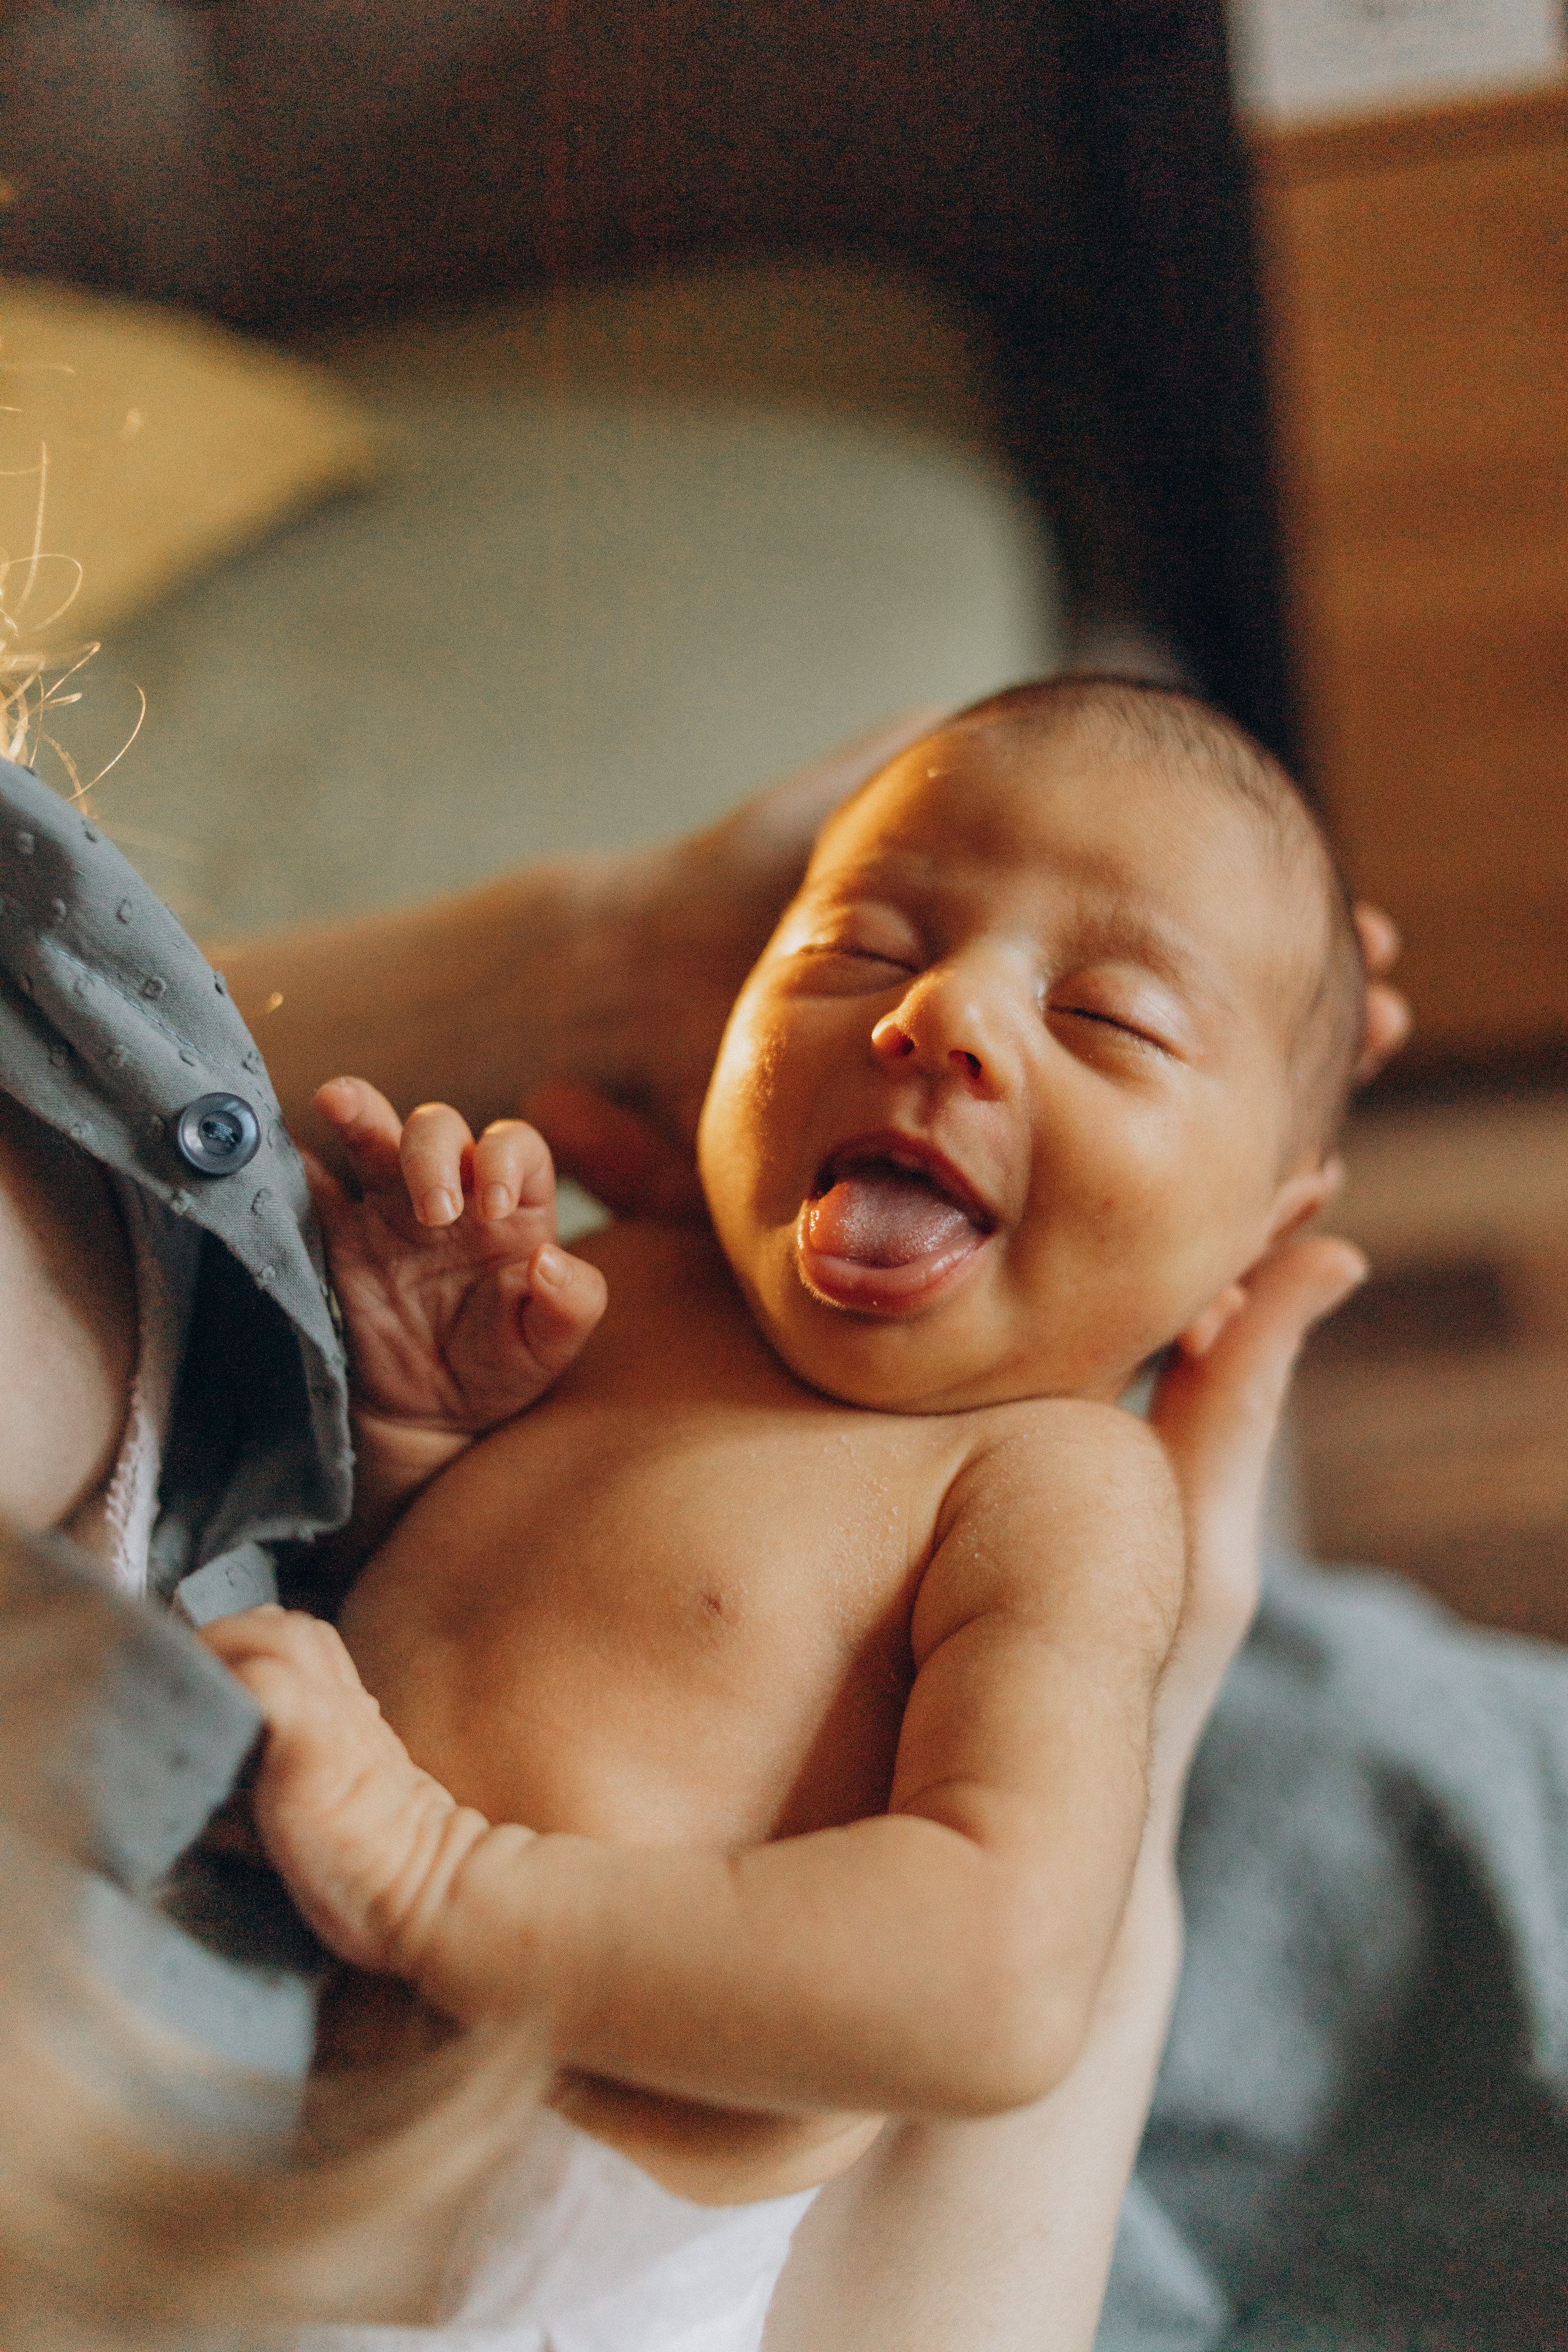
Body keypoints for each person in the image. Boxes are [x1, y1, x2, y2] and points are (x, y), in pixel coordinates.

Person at [0, 706, 1386, 2351]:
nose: (939, 1019)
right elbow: (423, 1619)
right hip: (254, 2153)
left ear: (1262, 1233)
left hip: (563, 2262)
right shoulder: (634, 1285)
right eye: (865, 947)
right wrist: (408, 1430)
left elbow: (996, 1975)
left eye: (1110, 1019)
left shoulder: (1054, 1487)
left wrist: (445, 1882)